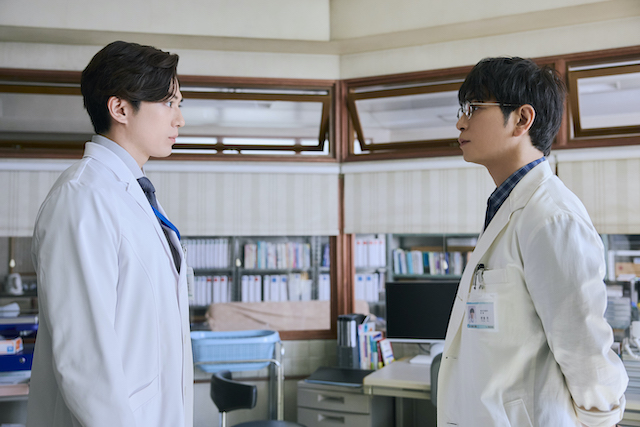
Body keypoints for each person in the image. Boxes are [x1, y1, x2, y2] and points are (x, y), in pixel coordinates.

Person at [437, 57, 628, 427]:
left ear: (522, 119)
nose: (460, 122)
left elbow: (583, 345)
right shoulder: (508, 206)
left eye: (474, 108)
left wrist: (602, 419)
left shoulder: (552, 216)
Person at [27, 41, 193, 427]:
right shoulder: (82, 197)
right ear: (120, 109)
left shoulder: (134, 194)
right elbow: (84, 362)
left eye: (179, 104)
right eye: (168, 103)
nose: (180, 119)